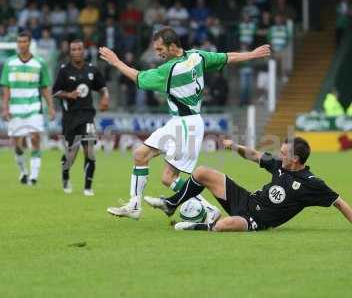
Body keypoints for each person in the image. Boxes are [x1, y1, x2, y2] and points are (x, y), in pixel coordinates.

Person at [99, 26, 271, 219]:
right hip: (178, 122)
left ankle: (207, 209)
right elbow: (226, 57)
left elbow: (139, 78)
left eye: (160, 49)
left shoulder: (171, 70)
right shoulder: (197, 56)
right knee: (140, 155)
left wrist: (116, 61)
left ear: (172, 47)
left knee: (168, 178)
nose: (157, 54)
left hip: (187, 125)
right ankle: (135, 206)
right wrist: (252, 54)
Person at [146, 137, 352, 232]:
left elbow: (340, 202)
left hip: (255, 220)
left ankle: (197, 226)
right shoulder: (280, 166)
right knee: (202, 172)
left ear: (296, 159)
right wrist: (235, 147)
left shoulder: (312, 184)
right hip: (246, 199)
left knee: (226, 225)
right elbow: (254, 155)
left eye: (284, 153)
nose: (280, 155)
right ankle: (172, 204)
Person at [53, 39, 110, 196]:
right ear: (70, 52)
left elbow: (102, 87)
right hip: (70, 117)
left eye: (79, 49)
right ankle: (65, 177)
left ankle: (88, 187)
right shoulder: (64, 70)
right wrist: (68, 94)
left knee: (89, 150)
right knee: (71, 154)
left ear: (84, 51)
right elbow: (55, 92)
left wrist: (105, 97)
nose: (77, 51)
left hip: (87, 115)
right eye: (74, 49)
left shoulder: (92, 69)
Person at [0, 31, 55, 185]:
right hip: (15, 108)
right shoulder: (9, 63)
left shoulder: (39, 63)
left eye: (24, 41)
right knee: (17, 145)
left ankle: (34, 177)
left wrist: (50, 107)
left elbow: (45, 87)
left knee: (35, 139)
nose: (22, 44)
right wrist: (4, 108)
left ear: (29, 43)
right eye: (19, 42)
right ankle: (23, 171)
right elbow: (6, 88)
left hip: (34, 107)